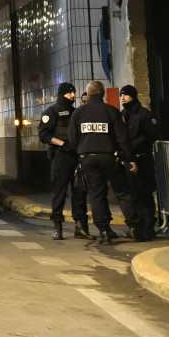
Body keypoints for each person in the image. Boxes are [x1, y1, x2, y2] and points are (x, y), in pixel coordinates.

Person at [68, 81, 136, 244]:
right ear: (103, 93)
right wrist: (130, 158)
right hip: (110, 157)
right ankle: (134, 227)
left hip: (88, 159)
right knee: (122, 191)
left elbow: (72, 137)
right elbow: (123, 138)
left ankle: (104, 230)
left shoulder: (78, 113)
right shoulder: (111, 111)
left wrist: (82, 150)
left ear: (88, 94)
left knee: (96, 194)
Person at [37, 82, 92, 240]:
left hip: (76, 156)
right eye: (70, 93)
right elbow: (43, 135)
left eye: (74, 92)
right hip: (61, 157)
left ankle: (80, 227)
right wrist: (62, 143)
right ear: (62, 94)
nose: (73, 95)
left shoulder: (77, 112)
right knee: (59, 193)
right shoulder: (51, 112)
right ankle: (57, 227)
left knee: (79, 192)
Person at [119, 84, 160, 240]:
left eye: (126, 95)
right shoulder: (123, 114)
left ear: (133, 96)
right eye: (121, 95)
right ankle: (138, 228)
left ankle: (148, 227)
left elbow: (151, 135)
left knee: (145, 193)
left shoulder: (144, 114)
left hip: (142, 159)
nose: (123, 98)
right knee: (133, 194)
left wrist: (132, 147)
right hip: (129, 160)